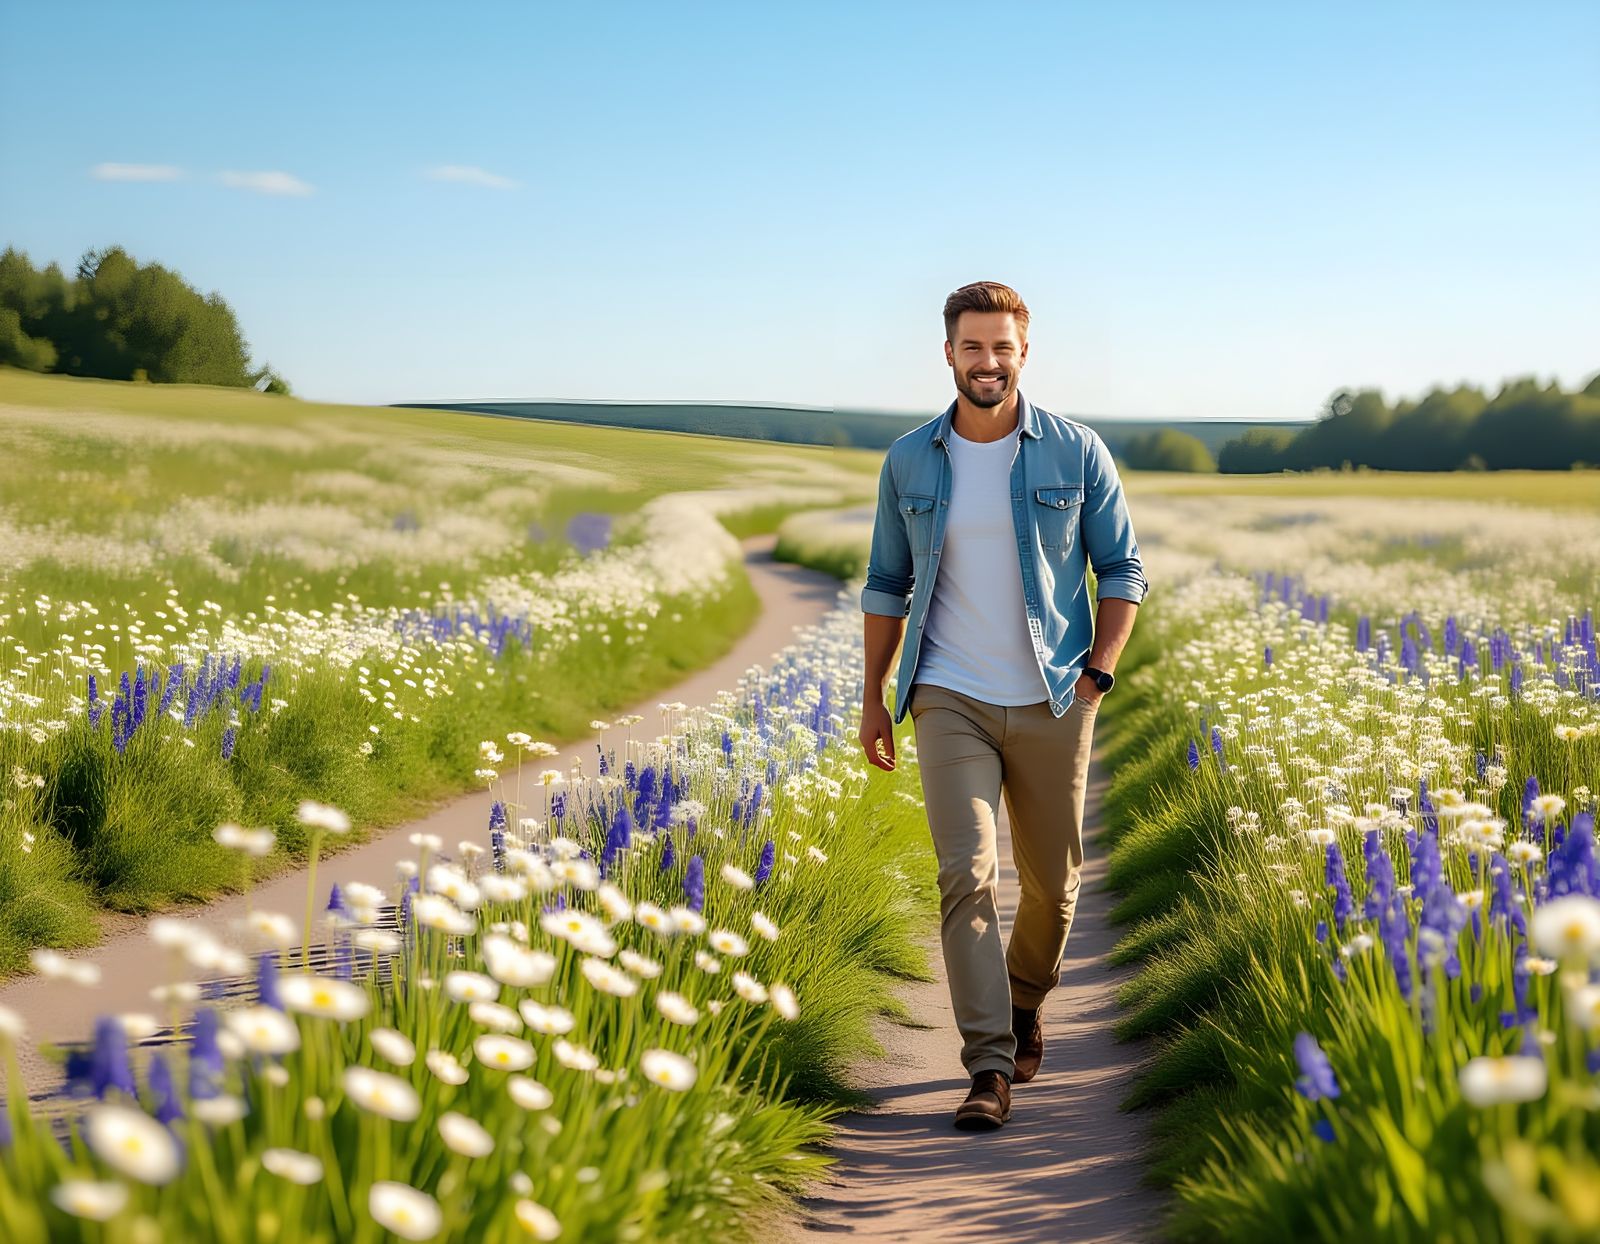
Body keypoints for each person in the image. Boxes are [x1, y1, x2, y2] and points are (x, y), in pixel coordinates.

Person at [856, 280, 1148, 1131]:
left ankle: (1025, 1003)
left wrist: (1099, 670)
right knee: (966, 874)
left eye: (1003, 347)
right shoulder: (911, 459)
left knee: (1056, 889)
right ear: (948, 353)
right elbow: (886, 582)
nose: (988, 362)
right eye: (973, 347)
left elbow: (1122, 569)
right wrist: (876, 699)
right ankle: (988, 1067)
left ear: (1025, 352)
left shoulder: (1075, 451)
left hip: (1058, 693)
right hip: (949, 696)